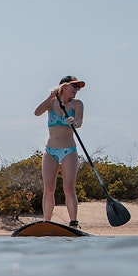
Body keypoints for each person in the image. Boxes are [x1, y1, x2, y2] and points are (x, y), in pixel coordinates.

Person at [33, 75, 85, 226]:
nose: (77, 90)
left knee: (69, 188)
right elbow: (37, 112)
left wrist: (74, 121)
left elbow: (80, 122)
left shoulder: (77, 104)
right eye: (74, 87)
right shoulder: (52, 103)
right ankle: (47, 222)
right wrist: (50, 96)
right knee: (49, 188)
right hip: (50, 151)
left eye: (78, 88)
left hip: (69, 150)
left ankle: (73, 222)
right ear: (64, 87)